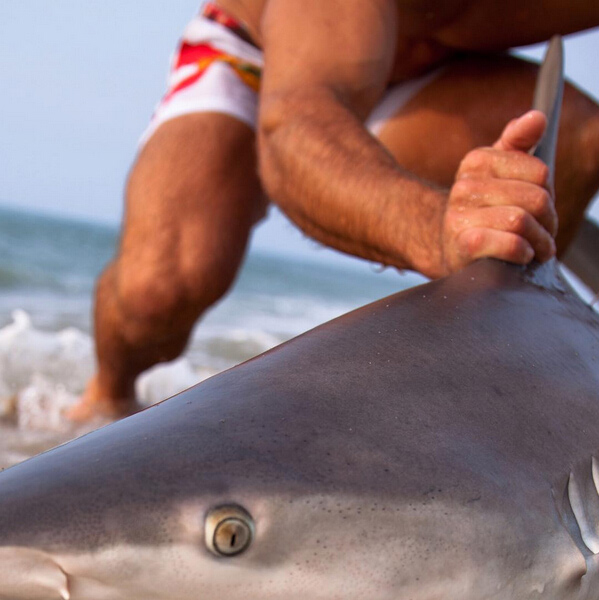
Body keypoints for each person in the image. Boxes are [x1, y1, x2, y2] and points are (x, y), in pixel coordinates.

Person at [71, 0, 599, 420]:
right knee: (159, 288)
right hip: (260, 57)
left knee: (578, 139)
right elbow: (297, 130)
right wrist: (438, 227)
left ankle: (494, 396)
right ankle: (103, 399)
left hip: (437, 73)